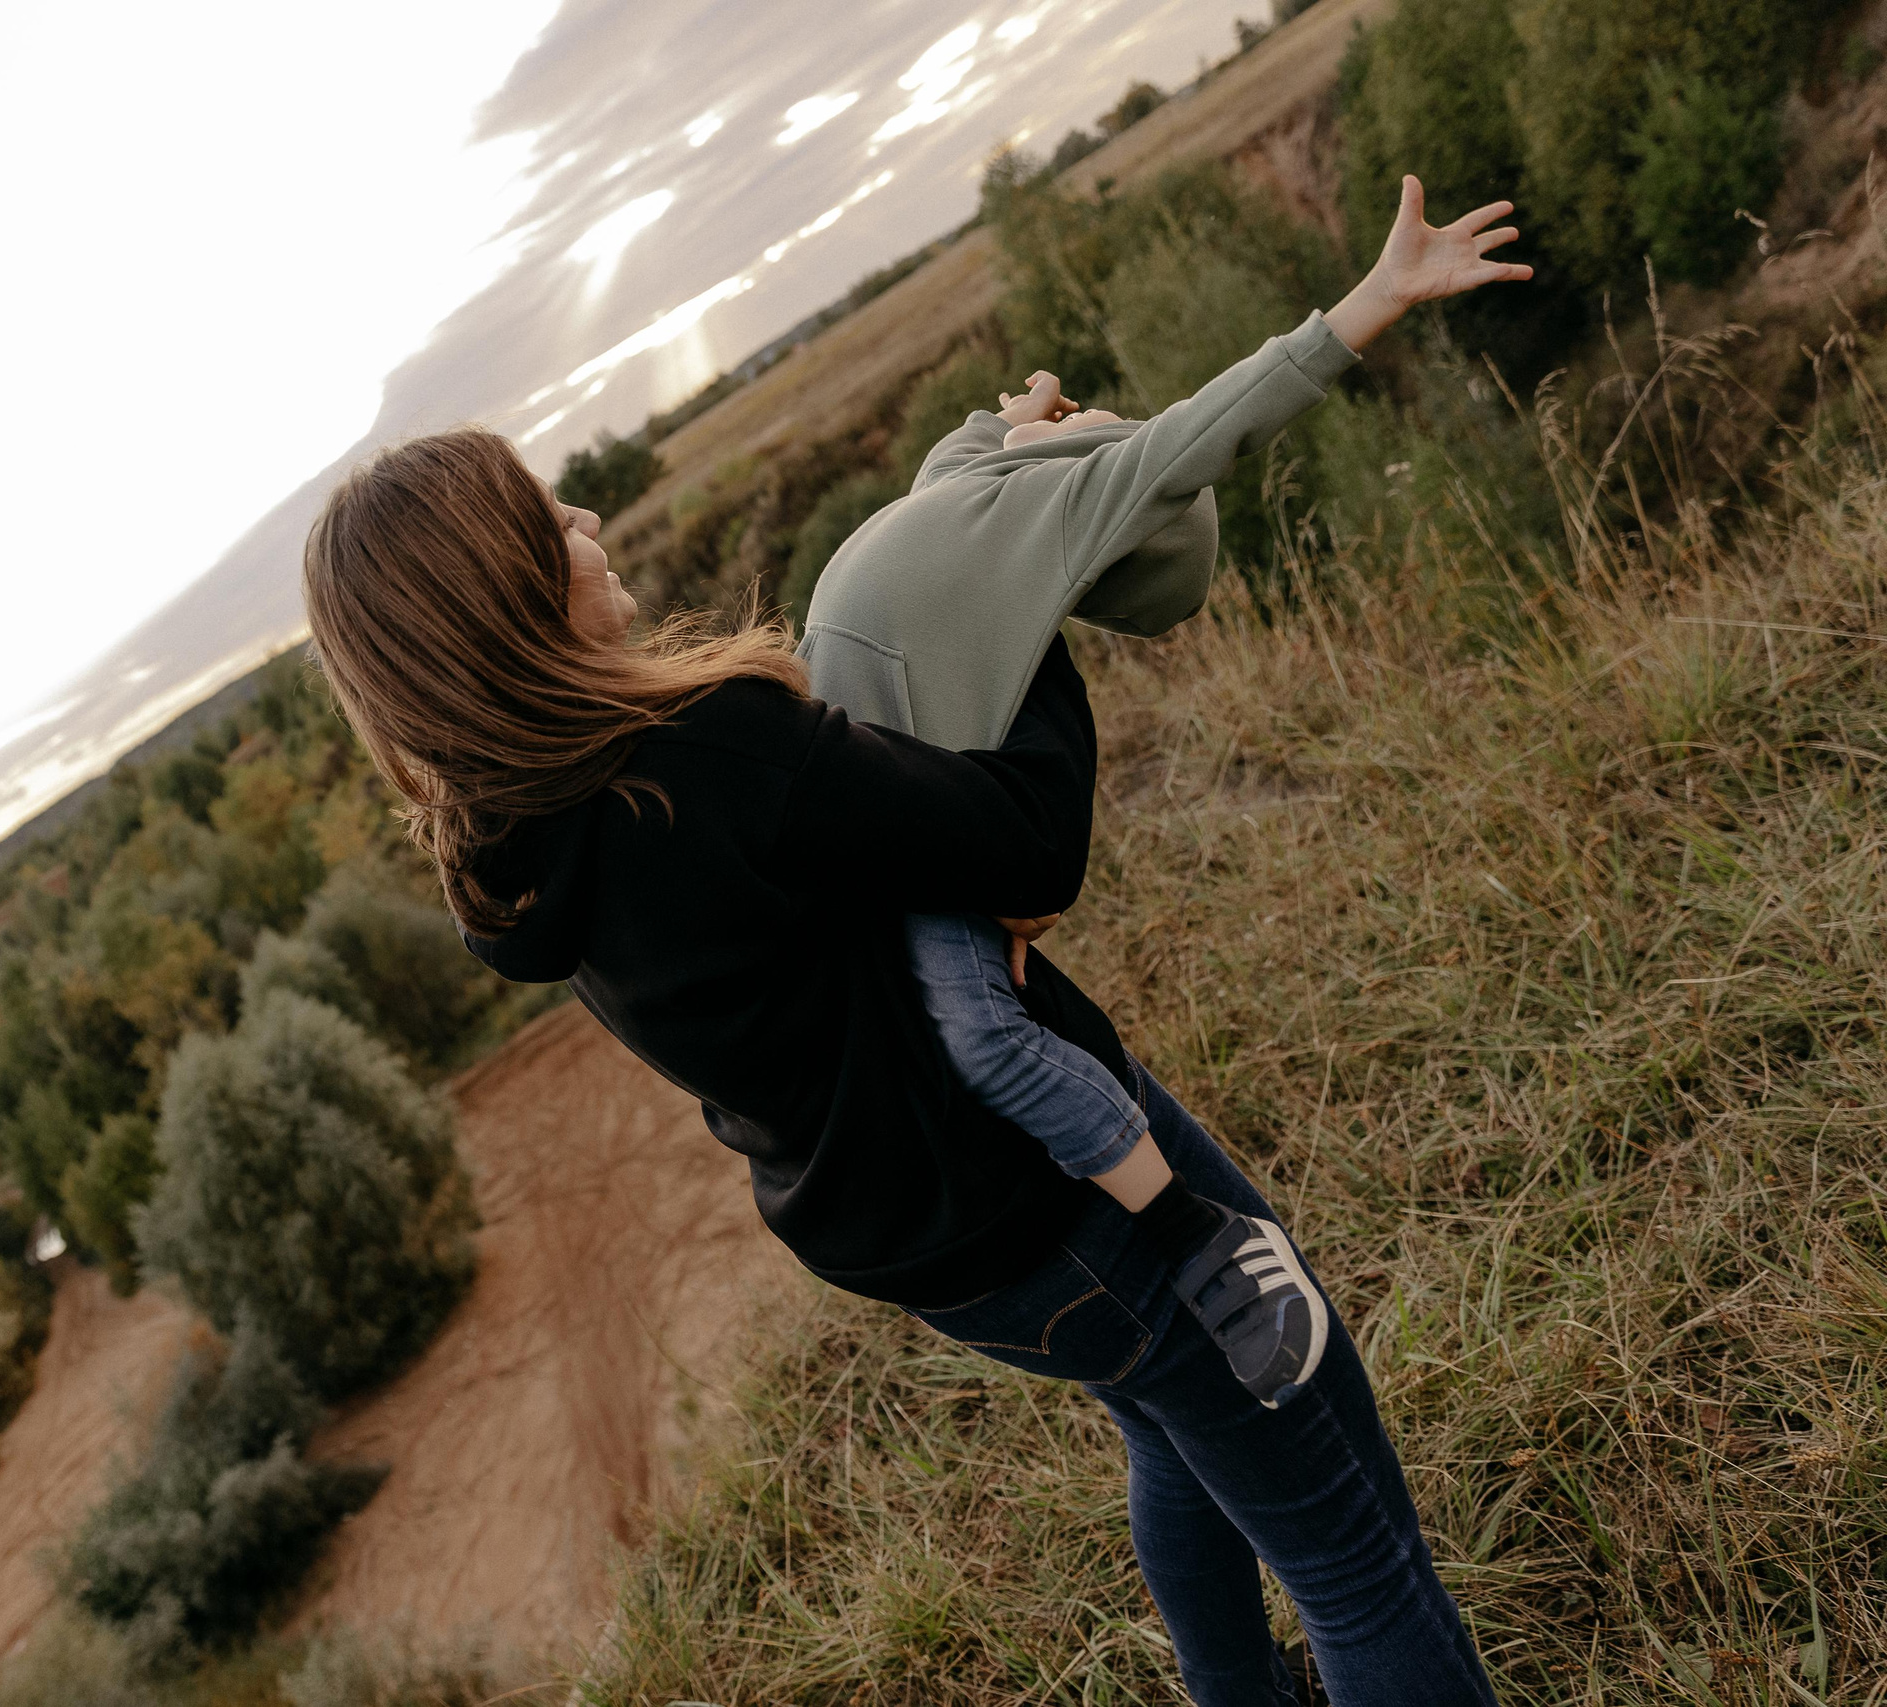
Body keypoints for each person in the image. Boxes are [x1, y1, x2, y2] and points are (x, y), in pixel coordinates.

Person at [298, 174, 1524, 1707]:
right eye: (543, 516)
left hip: (927, 1247)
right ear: (498, 592)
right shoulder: (717, 754)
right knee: (1348, 1535)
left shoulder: (519, 857)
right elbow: (1026, 843)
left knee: (1176, 1420)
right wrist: (1033, 615)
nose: (583, 517)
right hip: (1057, 1183)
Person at [798, 174, 1531, 1415]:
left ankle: (1148, 1240)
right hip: (871, 829)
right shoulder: (1036, 494)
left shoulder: (960, 478)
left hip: (876, 828)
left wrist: (1027, 404)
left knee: (974, 1024)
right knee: (980, 1037)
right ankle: (1202, 1234)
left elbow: (987, 429)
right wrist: (1375, 297)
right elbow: (1210, 426)